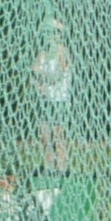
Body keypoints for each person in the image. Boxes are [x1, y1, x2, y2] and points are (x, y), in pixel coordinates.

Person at [29, 21, 74, 172]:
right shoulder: (43, 54)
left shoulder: (62, 51)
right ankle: (49, 169)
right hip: (46, 100)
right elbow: (33, 73)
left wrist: (43, 78)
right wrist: (39, 84)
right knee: (45, 136)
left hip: (59, 99)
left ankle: (62, 169)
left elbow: (58, 75)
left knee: (58, 136)